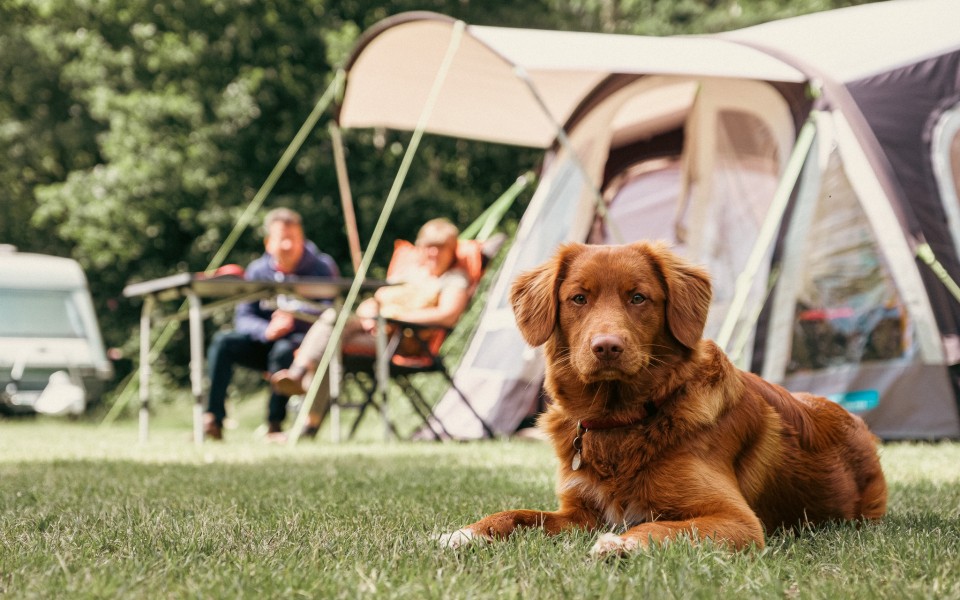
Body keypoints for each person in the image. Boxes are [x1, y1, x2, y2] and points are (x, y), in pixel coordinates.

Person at [270, 217, 470, 436]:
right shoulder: (411, 274)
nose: (434, 254)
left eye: (441, 248)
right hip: (376, 329)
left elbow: (447, 315)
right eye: (429, 247)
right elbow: (376, 299)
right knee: (333, 321)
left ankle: (301, 384)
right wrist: (368, 311)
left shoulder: (454, 279)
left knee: (331, 339)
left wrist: (396, 316)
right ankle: (306, 413)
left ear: (452, 251)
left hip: (403, 340)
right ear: (421, 249)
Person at [203, 207, 340, 441]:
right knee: (222, 342)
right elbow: (244, 317)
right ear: (269, 242)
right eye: (282, 239)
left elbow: (332, 312)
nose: (288, 245)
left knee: (283, 351)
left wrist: (293, 317)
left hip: (300, 342)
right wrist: (266, 330)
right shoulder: (258, 270)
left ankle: (274, 425)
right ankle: (213, 418)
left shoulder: (321, 267)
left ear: (302, 239)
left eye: (293, 239)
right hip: (264, 338)